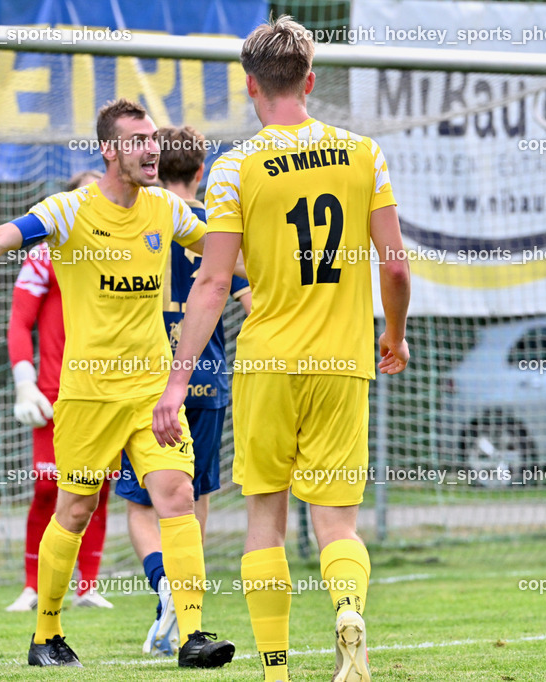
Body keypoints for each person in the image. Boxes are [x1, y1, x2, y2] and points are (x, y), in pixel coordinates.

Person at [0, 98, 241, 669]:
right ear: (110, 150)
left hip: (154, 394)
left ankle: (193, 635)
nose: (150, 149)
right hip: (87, 396)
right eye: (137, 141)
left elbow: (224, 250)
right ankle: (46, 636)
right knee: (76, 510)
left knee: (178, 497)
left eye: (153, 139)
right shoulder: (69, 210)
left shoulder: (166, 209)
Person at [152, 15, 411, 682]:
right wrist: (394, 334)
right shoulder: (364, 153)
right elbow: (398, 267)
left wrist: (177, 383)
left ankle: (276, 671)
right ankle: (349, 611)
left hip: (266, 362)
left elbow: (212, 283)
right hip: (342, 360)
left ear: (249, 88)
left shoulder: (236, 167)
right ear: (311, 80)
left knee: (264, 519)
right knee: (337, 525)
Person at [116, 126, 251, 657]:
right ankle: (183, 603)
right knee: (193, 498)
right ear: (200, 173)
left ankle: (164, 587)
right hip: (208, 379)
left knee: (141, 506)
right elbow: (246, 296)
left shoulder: (140, 220)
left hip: (151, 381)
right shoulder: (212, 230)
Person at [6, 169, 114, 612]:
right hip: (55, 394)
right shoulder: (47, 254)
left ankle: (87, 585)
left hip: (108, 390)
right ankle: (34, 585)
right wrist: (25, 382)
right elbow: (19, 321)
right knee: (49, 487)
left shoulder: (119, 254)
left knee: (99, 488)